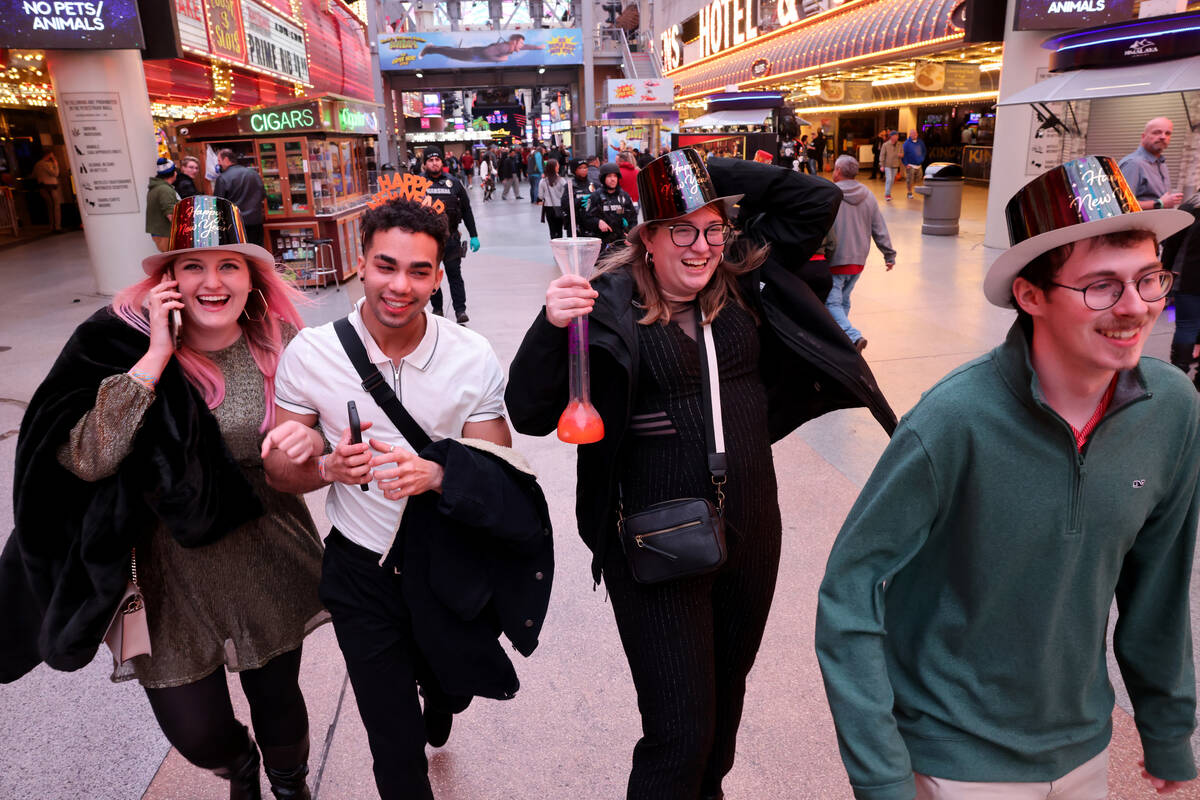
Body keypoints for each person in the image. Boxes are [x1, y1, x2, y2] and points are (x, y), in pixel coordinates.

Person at [507, 149, 895, 800]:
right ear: (647, 238)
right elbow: (529, 411)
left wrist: (699, 168)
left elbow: (813, 201)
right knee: (678, 735)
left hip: (751, 534)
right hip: (657, 541)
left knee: (723, 716)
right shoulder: (606, 303)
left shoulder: (744, 282)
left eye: (712, 228)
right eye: (680, 229)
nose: (700, 246)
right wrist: (551, 329)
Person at [816, 155, 1199, 800]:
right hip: (956, 758)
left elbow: (1158, 586)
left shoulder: (1172, 410)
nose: (1134, 307)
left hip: (1082, 746)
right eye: (1102, 286)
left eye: (1149, 279)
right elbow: (850, 592)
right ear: (1030, 296)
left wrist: (1166, 728)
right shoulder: (952, 422)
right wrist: (882, 778)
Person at [0, 194, 327, 800]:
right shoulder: (117, 344)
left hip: (264, 549)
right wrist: (154, 356)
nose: (212, 281)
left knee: (279, 702)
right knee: (196, 731)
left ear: (251, 277)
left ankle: (289, 784)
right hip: (156, 573)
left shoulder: (284, 341)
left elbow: (322, 436)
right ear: (168, 280)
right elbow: (85, 459)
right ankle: (239, 765)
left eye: (229, 265)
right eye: (192, 266)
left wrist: (319, 450)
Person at [261, 196, 551, 800]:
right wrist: (324, 465)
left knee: (449, 682)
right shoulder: (310, 354)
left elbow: (498, 475)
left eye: (420, 271)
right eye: (385, 266)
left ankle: (441, 694)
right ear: (358, 264)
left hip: (445, 563)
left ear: (439, 275)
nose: (400, 285)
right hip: (360, 567)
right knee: (393, 743)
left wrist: (440, 473)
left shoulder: (469, 357)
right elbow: (282, 475)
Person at [826, 155, 896, 353]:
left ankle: (852, 336)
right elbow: (879, 228)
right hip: (858, 261)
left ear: (838, 171)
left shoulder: (831, 194)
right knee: (843, 300)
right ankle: (843, 340)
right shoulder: (868, 195)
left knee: (831, 302)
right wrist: (889, 255)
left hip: (836, 259)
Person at [421, 148, 480, 325]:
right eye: (430, 160)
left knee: (454, 274)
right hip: (427, 240)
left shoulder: (454, 183)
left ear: (442, 162)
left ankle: (460, 310)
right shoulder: (417, 184)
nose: (434, 163)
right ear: (425, 163)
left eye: (437, 160)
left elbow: (467, 209)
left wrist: (474, 235)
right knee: (431, 276)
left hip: (451, 238)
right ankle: (437, 308)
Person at [1119, 117, 1184, 211]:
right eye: (1157, 132)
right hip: (1138, 225)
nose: (1163, 137)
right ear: (1143, 136)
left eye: (1168, 133)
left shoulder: (1162, 165)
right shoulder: (1133, 164)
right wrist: (1159, 203)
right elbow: (1122, 204)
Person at [214, 149, 267, 246]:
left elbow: (218, 203)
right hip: (255, 222)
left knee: (240, 256)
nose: (218, 164)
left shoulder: (223, 178)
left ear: (226, 159)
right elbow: (263, 195)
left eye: (219, 161)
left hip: (235, 224)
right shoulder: (253, 174)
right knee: (256, 254)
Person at [586, 162, 637, 250]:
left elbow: (633, 218)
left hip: (622, 242)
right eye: (609, 176)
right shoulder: (595, 196)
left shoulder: (624, 196)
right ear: (603, 178)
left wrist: (631, 236)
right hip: (601, 243)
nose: (613, 179)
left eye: (615, 176)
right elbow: (587, 218)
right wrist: (598, 222)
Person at [419, 32, 543, 63]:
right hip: (472, 54)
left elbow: (526, 46)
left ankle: (432, 47)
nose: (522, 46)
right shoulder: (504, 48)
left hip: (473, 55)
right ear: (514, 42)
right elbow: (487, 52)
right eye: (520, 43)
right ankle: (429, 49)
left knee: (450, 51)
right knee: (450, 52)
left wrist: (537, 47)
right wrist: (499, 59)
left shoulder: (511, 48)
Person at [146, 157, 180, 253]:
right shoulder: (164, 190)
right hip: (166, 234)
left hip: (161, 234)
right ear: (173, 173)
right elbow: (171, 215)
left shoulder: (157, 188)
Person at [559, 158, 596, 237]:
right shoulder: (570, 185)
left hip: (591, 225)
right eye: (580, 168)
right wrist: (579, 201)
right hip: (575, 225)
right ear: (574, 170)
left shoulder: (593, 185)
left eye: (585, 167)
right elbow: (564, 205)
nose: (583, 170)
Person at [537, 158, 567, 240]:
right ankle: (559, 244)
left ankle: (554, 245)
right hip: (559, 207)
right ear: (554, 168)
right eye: (557, 166)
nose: (558, 167)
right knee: (559, 229)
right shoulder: (562, 180)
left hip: (548, 208)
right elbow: (565, 194)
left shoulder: (543, 181)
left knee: (552, 229)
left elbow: (540, 196)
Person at [32, 151, 62, 232]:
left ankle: (52, 226)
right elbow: (56, 174)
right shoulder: (45, 164)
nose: (53, 157)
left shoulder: (37, 164)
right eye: (52, 155)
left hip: (42, 188)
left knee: (50, 207)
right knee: (56, 206)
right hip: (51, 187)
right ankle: (57, 227)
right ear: (48, 155)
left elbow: (34, 175)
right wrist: (56, 164)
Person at [902, 129, 926, 199]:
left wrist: (922, 158)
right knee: (910, 179)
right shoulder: (906, 143)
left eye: (915, 133)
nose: (914, 135)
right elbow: (903, 154)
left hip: (918, 165)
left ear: (917, 134)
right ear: (910, 135)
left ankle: (912, 187)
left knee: (919, 178)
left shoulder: (920, 142)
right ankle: (909, 192)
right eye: (913, 133)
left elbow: (924, 151)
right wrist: (906, 164)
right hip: (910, 165)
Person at [880, 131, 902, 201]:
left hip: (895, 165)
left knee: (892, 181)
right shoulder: (885, 145)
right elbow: (882, 155)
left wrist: (901, 155)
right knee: (889, 179)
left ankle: (888, 193)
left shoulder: (899, 144)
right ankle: (887, 195)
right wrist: (882, 165)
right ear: (891, 136)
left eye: (897, 136)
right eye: (896, 136)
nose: (897, 137)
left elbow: (902, 153)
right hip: (887, 165)